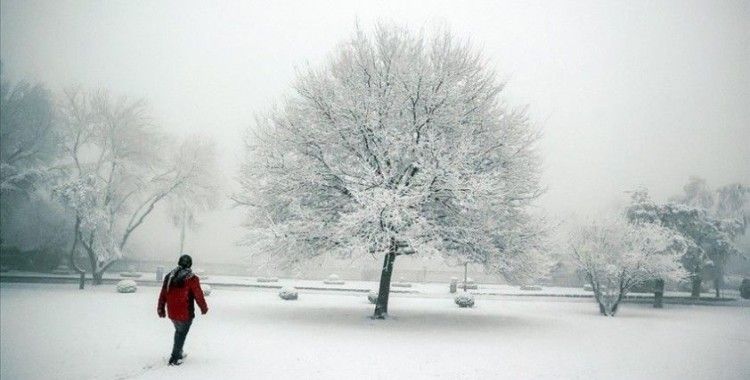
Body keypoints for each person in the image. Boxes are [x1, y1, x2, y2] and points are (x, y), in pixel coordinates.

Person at [157, 254, 208, 366]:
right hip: (185, 313)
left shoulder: (169, 276)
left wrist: (161, 308)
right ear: (190, 264)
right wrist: (203, 308)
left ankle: (178, 352)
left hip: (172, 312)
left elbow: (163, 293)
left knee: (179, 331)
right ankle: (175, 358)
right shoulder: (192, 278)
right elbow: (198, 295)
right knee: (181, 333)